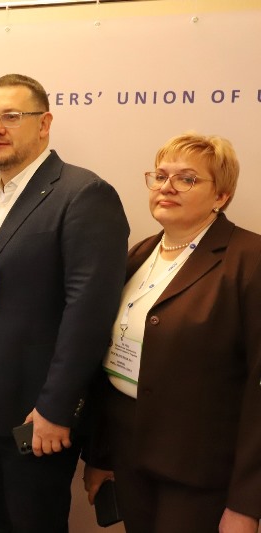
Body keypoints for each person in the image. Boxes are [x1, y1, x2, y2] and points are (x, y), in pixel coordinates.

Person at [0, 73, 130, 533]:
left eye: (12, 116)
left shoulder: (83, 195)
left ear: (44, 124)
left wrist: (57, 408)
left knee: (33, 523)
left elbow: (89, 313)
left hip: (36, 414)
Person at [83, 133, 261, 532]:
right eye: (160, 176)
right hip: (131, 460)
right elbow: (109, 366)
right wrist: (102, 455)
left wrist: (248, 502)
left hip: (201, 474)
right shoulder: (139, 253)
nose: (166, 187)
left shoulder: (250, 260)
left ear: (221, 196)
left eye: (186, 179)